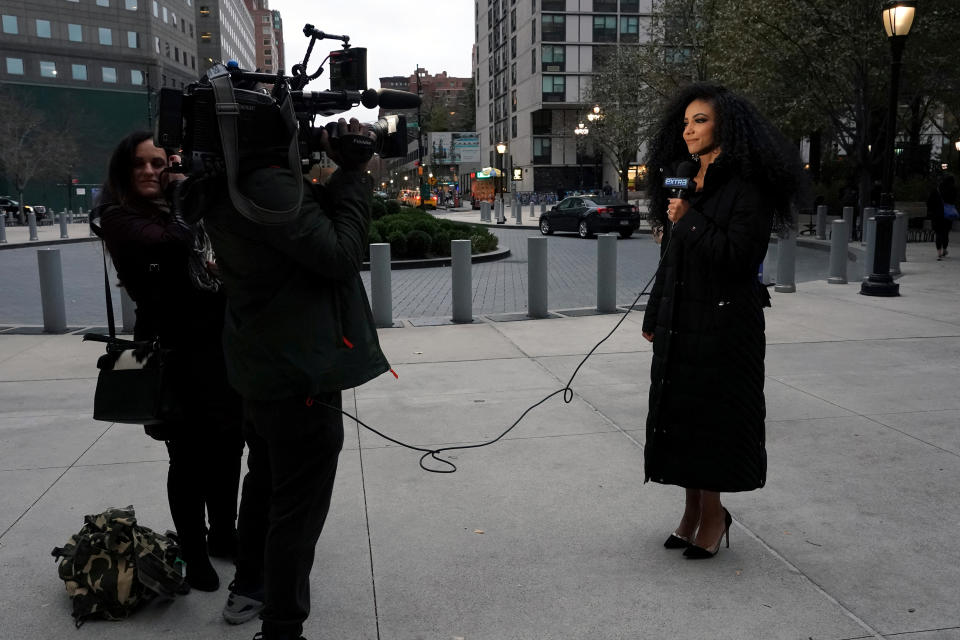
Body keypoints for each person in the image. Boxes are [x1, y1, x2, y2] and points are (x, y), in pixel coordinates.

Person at [201, 116, 390, 640]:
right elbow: (339, 254)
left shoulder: (235, 183)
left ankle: (252, 584)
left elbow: (303, 242)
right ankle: (282, 627)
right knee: (296, 509)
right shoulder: (269, 186)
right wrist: (352, 174)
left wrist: (330, 178)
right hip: (296, 372)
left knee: (264, 484)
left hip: (265, 366)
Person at [641, 83, 803, 559]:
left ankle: (714, 516)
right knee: (683, 421)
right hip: (681, 319)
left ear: (725, 126)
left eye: (701, 121)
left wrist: (688, 218)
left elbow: (739, 257)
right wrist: (655, 311)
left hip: (726, 324)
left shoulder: (748, 185)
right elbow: (673, 258)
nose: (688, 129)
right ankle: (693, 511)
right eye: (686, 121)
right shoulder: (686, 177)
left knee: (711, 423)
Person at [93, 131, 244, 591]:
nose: (150, 172)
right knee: (188, 459)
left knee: (228, 448)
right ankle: (196, 553)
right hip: (170, 354)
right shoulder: (118, 217)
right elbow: (168, 242)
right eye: (140, 164)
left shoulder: (179, 210)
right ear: (123, 170)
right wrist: (184, 194)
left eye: (158, 163)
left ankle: (223, 535)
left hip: (217, 346)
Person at [927, 174, 956, 260]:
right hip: (948, 215)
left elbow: (929, 202)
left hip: (937, 215)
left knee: (938, 233)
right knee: (946, 233)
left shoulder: (937, 190)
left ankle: (939, 252)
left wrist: (932, 211)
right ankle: (944, 250)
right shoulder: (953, 190)